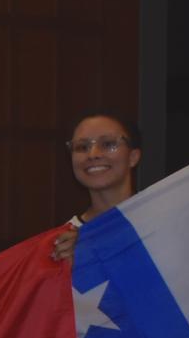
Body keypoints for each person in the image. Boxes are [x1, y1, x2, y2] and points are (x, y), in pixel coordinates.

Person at [50, 111, 140, 262]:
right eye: (82, 147)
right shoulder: (62, 242)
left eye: (108, 144)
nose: (93, 154)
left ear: (133, 157)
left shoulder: (164, 220)